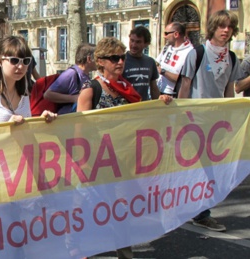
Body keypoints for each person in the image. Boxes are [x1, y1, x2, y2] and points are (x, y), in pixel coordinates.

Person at [77, 37, 172, 259]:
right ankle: (79, 250)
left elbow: (140, 118)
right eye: (114, 58)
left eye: (122, 57)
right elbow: (78, 132)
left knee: (121, 210)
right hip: (96, 162)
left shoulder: (125, 88)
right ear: (100, 61)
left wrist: (161, 103)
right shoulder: (90, 90)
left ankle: (125, 254)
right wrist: (82, 164)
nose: (120, 62)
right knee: (88, 209)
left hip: (121, 163)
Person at [178, 9, 240, 232]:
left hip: (216, 123)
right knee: (198, 169)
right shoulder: (198, 53)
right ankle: (200, 213)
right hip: (194, 121)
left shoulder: (232, 58)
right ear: (213, 28)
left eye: (230, 27)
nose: (226, 30)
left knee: (210, 169)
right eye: (222, 26)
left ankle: (196, 210)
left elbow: (229, 92)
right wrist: (180, 118)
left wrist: (230, 119)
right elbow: (185, 86)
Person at [0, 35, 56, 126]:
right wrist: (7, 128)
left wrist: (41, 122)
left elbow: (26, 134)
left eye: (25, 61)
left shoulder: (24, 95)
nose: (21, 66)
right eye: (14, 60)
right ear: (0, 62)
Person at [44, 43, 96, 115]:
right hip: (66, 121)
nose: (100, 62)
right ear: (89, 59)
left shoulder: (85, 75)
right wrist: (75, 98)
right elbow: (48, 95)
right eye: (97, 58)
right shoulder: (70, 74)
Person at [122, 26, 160, 101]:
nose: (133, 45)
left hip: (143, 107)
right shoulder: (121, 60)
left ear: (146, 44)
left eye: (138, 42)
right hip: (126, 107)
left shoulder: (150, 62)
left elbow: (154, 88)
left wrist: (159, 105)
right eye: (132, 40)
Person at [156, 22, 193, 97]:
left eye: (166, 33)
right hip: (159, 92)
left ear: (176, 34)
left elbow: (185, 80)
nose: (164, 36)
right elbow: (157, 63)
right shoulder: (167, 48)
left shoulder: (190, 52)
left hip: (174, 96)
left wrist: (163, 71)